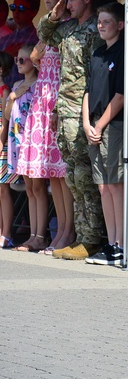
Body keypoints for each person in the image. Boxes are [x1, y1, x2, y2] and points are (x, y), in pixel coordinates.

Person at [37, 0, 105, 261]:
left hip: (83, 109)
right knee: (72, 177)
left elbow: (95, 73)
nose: (68, 5)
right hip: (63, 110)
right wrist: (54, 13)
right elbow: (44, 32)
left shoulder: (94, 30)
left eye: (72, 0)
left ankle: (92, 238)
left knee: (84, 176)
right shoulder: (67, 28)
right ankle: (79, 234)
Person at [21, 0, 72, 254]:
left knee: (63, 174)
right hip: (42, 99)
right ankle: (47, 233)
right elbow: (36, 54)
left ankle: (66, 231)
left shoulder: (69, 29)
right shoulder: (49, 28)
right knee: (51, 174)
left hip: (58, 102)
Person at [81, 3, 126, 266]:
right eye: (99, 21)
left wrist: (100, 126)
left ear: (120, 25)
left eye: (106, 21)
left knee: (114, 184)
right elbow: (88, 91)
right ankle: (111, 242)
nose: (101, 25)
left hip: (113, 125)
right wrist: (87, 123)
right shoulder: (97, 52)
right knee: (102, 186)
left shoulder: (123, 52)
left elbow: (119, 96)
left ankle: (120, 243)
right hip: (95, 123)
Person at [9, 46, 46, 252]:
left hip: (34, 139)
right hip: (19, 141)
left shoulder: (40, 84)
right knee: (30, 189)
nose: (19, 63)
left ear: (34, 62)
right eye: (17, 60)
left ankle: (40, 235)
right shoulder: (17, 84)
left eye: (23, 60)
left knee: (38, 188)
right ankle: (32, 234)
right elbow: (7, 114)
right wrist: (13, 97)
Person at [0, 0, 41, 90]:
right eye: (13, 7)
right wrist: (6, 55)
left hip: (26, 96)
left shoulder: (38, 40)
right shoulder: (4, 39)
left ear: (34, 12)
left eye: (21, 8)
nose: (16, 12)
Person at [0, 53, 15, 248]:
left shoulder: (4, 91)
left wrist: (1, 142)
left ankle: (7, 232)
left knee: (3, 190)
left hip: (1, 145)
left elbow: (4, 121)